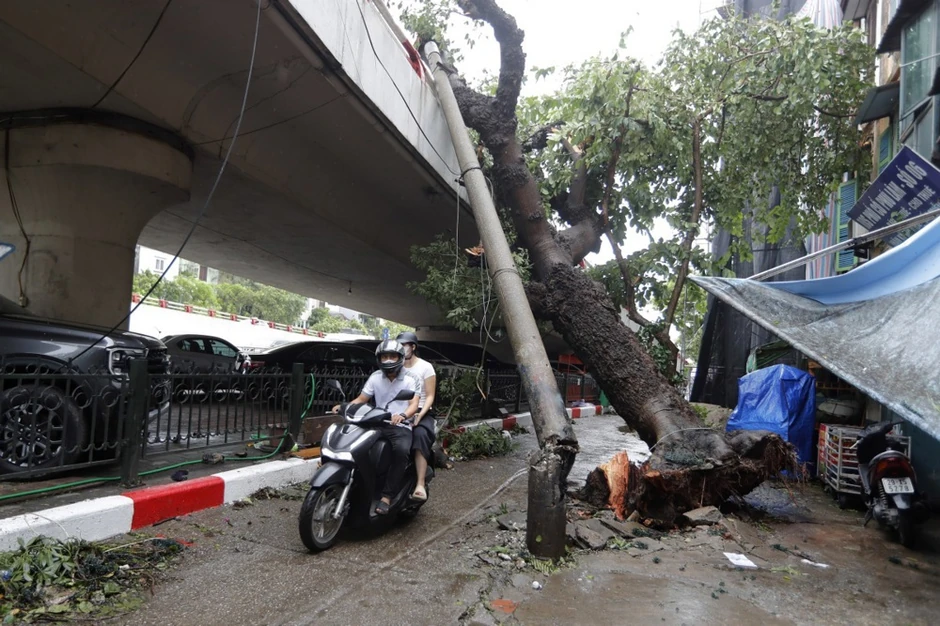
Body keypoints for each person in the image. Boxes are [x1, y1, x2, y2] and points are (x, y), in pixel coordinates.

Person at [335, 339, 420, 515]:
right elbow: (361, 399)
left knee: (401, 451)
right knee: (356, 446)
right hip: (376, 421)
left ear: (400, 357)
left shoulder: (412, 378)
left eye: (392, 356)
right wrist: (345, 407)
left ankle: (386, 497)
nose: (388, 360)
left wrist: (403, 415)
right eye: (384, 356)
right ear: (379, 359)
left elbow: (413, 404)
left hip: (400, 425)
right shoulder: (375, 377)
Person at [397, 331, 437, 502]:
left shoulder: (425, 367)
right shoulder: (395, 366)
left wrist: (420, 413)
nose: (402, 349)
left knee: (420, 436)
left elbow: (429, 395)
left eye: (404, 345)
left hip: (421, 411)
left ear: (413, 347)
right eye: (399, 346)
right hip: (398, 411)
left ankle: (420, 483)